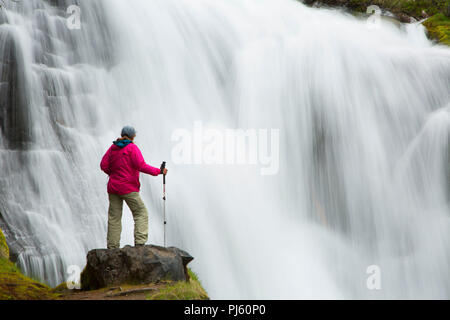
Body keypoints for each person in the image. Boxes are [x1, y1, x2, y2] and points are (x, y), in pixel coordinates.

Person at [100, 126, 167, 249]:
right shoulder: (132, 148)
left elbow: (103, 165)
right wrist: (159, 171)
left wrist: (113, 174)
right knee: (141, 212)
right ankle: (140, 244)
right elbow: (141, 166)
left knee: (114, 217)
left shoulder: (113, 147)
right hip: (128, 188)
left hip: (113, 187)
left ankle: (112, 247)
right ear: (133, 136)